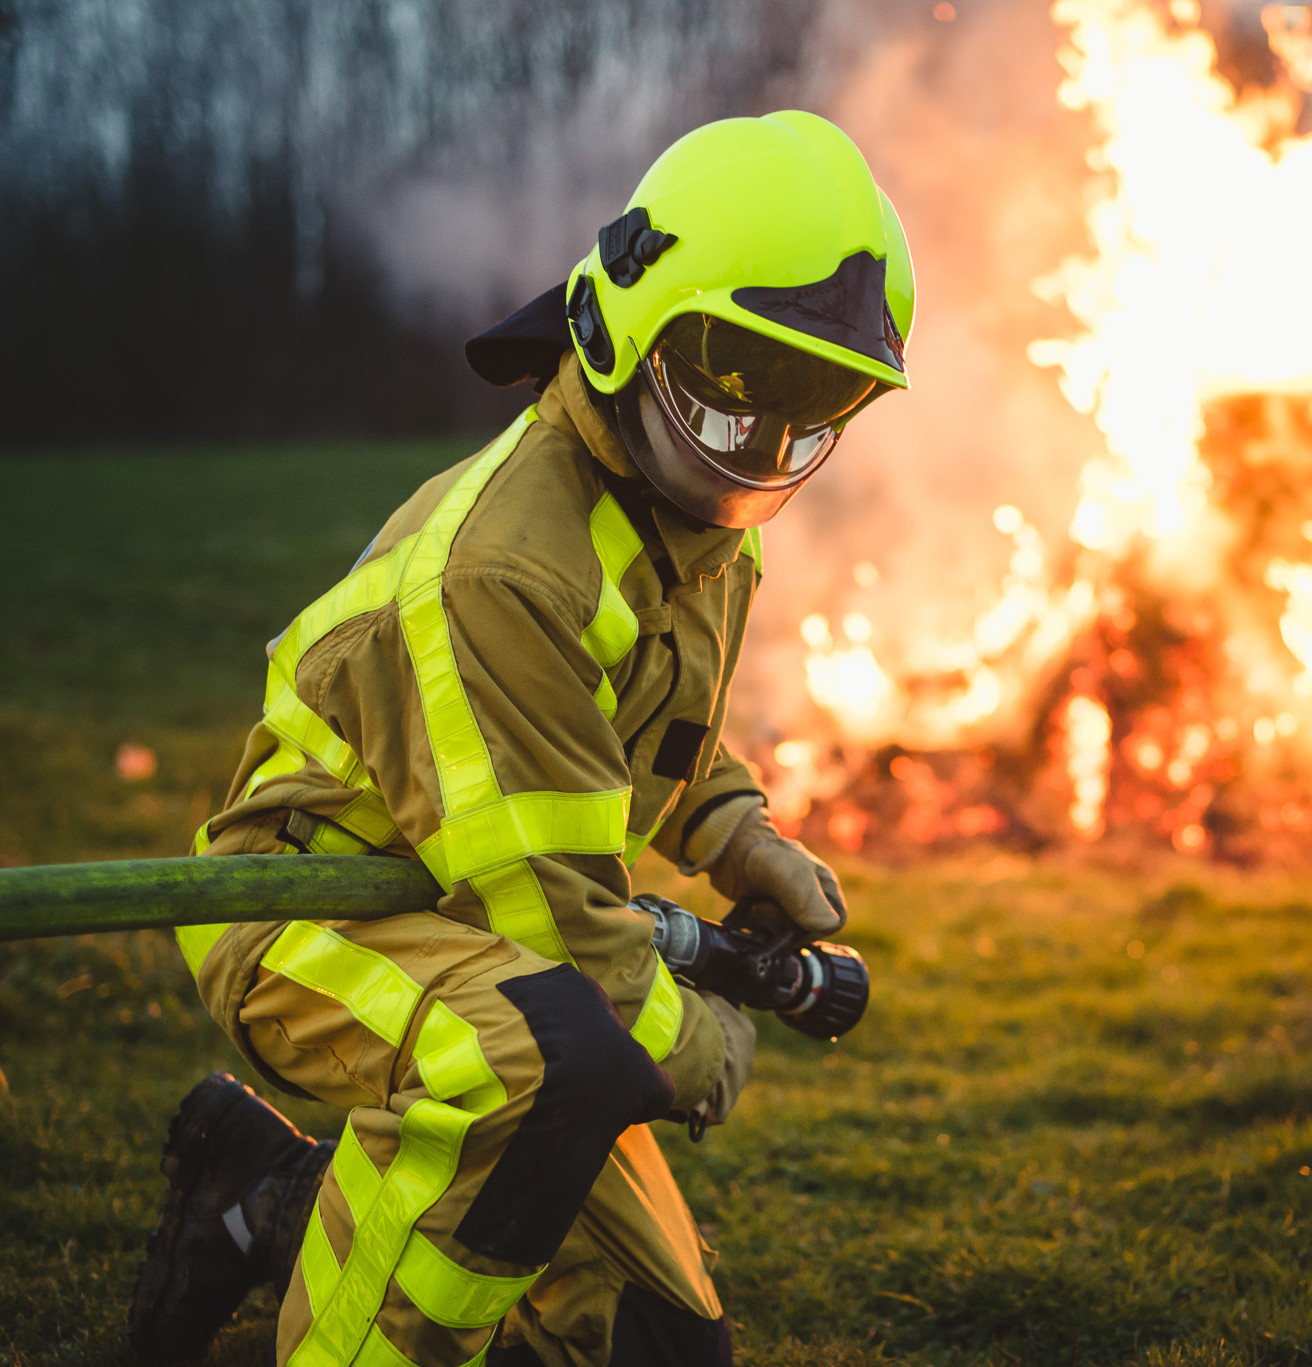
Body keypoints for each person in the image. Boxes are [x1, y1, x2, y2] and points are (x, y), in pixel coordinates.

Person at [128, 109, 913, 1367]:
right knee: (542, 1062)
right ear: (621, 327)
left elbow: (639, 736)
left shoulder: (706, 524)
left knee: (663, 1350)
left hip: (481, 918)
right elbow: (550, 915)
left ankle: (261, 1200)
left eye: (810, 415)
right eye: (730, 402)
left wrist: (732, 830)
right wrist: (696, 1038)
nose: (759, 454)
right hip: (312, 912)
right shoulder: (503, 566)